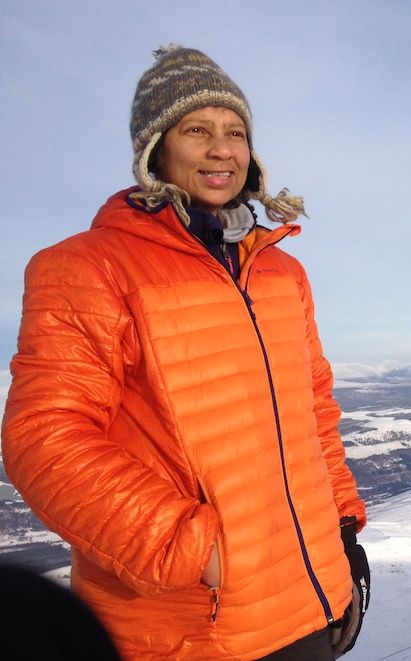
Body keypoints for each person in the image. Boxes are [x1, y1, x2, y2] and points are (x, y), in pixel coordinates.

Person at [1, 45, 369, 660]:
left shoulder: (281, 273)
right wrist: (192, 549)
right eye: (197, 129)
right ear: (156, 150)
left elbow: (313, 412)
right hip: (192, 627)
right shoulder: (89, 266)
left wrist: (343, 532)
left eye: (236, 132)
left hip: (311, 603)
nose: (222, 148)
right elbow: (44, 436)